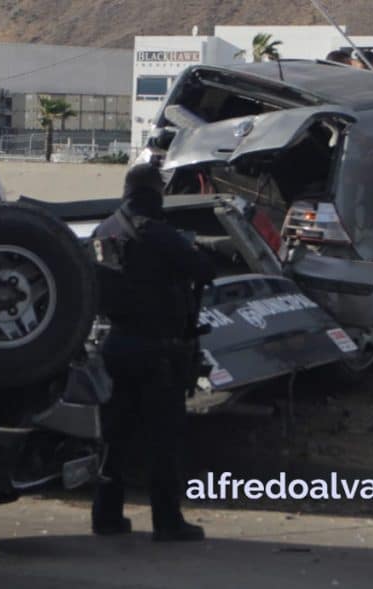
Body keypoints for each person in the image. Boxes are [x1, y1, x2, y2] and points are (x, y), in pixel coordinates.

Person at [90, 163, 215, 542]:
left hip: (115, 344)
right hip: (156, 349)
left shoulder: (104, 230)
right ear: (155, 192)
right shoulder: (158, 234)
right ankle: (167, 521)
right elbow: (204, 269)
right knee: (163, 438)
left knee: (115, 436)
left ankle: (107, 516)